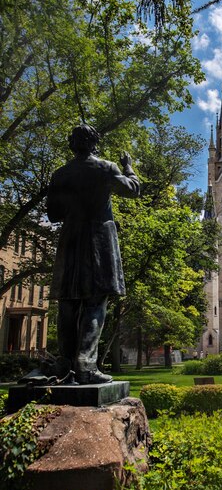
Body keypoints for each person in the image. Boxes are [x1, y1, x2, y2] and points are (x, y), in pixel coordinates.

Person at [47, 124, 140, 384]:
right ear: (94, 144)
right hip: (98, 241)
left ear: (72, 144)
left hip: (71, 241)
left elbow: (53, 214)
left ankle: (64, 363)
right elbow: (133, 189)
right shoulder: (106, 168)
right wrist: (128, 165)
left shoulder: (60, 174)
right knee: (95, 303)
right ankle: (86, 365)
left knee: (68, 303)